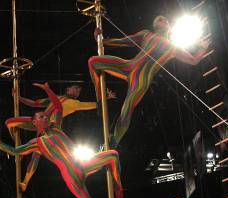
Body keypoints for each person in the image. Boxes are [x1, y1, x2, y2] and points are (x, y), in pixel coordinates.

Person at [0, 82, 123, 198]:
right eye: (42, 116)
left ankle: (117, 185)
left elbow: (58, 106)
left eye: (46, 115)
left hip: (83, 163)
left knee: (113, 155)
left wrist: (48, 90)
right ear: (35, 123)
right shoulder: (37, 144)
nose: (46, 117)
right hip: (71, 175)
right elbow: (14, 151)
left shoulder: (56, 126)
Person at [88, 16, 211, 145]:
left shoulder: (172, 47)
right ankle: (100, 101)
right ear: (154, 24)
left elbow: (193, 60)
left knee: (126, 111)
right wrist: (101, 40)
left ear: (169, 27)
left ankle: (114, 142)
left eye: (165, 19)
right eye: (160, 19)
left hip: (141, 80)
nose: (164, 20)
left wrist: (202, 48)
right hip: (129, 66)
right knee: (93, 61)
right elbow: (123, 41)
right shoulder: (146, 34)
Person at [13, 83, 116, 191]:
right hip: (40, 124)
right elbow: (35, 103)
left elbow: (94, 105)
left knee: (36, 154)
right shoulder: (56, 98)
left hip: (52, 128)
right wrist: (18, 97)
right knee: (12, 123)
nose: (78, 91)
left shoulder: (75, 103)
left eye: (79, 90)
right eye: (76, 88)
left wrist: (107, 98)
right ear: (68, 89)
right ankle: (19, 150)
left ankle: (25, 181)